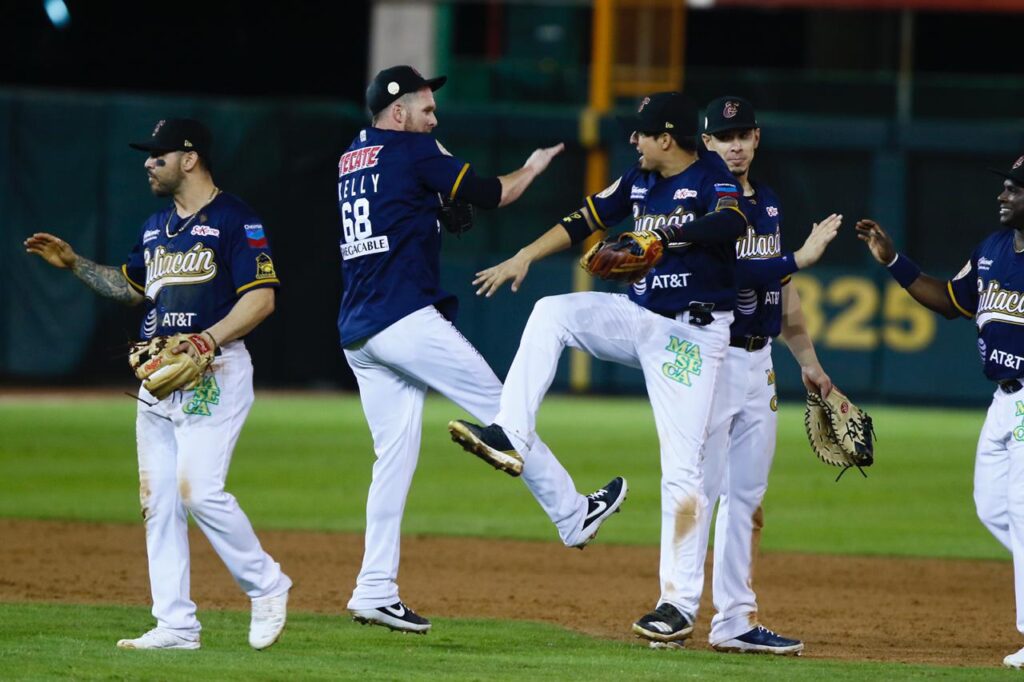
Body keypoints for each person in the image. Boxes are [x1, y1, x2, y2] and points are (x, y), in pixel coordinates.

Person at [450, 91, 838, 646]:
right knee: (551, 312)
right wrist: (524, 256)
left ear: (667, 138)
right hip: (638, 316)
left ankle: (677, 607)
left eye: (642, 133)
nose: (632, 140)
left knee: (684, 470)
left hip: (692, 336)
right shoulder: (638, 180)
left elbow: (729, 226)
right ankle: (512, 431)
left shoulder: (714, 179)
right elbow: (584, 216)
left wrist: (662, 235)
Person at [338, 65, 627, 635]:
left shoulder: (353, 156)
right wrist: (535, 166)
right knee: (505, 409)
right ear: (398, 113)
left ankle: (374, 589)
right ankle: (573, 514)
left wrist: (428, 211)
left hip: (359, 328)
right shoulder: (412, 150)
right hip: (403, 317)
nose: (433, 115)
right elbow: (498, 193)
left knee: (391, 462)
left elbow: (395, 210)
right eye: (426, 107)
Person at [23, 118, 291, 651]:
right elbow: (131, 289)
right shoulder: (154, 229)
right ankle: (175, 625)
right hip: (159, 379)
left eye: (158, 154)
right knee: (159, 502)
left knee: (200, 490)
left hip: (215, 371)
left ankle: (267, 584)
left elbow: (261, 298)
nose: (148, 162)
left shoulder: (236, 219)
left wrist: (205, 341)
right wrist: (75, 264)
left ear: (189, 158)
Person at [856, 154, 1024, 669]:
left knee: (1021, 511)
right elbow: (952, 300)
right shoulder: (993, 249)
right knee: (993, 507)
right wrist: (893, 262)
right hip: (1003, 399)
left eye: (1015, 189)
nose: (1002, 196)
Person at [687, 95, 839, 655]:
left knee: (747, 499)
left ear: (756, 139)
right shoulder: (703, 202)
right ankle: (676, 608)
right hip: (711, 357)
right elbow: (737, 270)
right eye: (723, 136)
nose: (734, 144)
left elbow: (782, 291)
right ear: (705, 144)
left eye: (742, 134)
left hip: (759, 365)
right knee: (697, 492)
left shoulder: (769, 203)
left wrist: (809, 362)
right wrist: (797, 257)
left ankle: (734, 620)